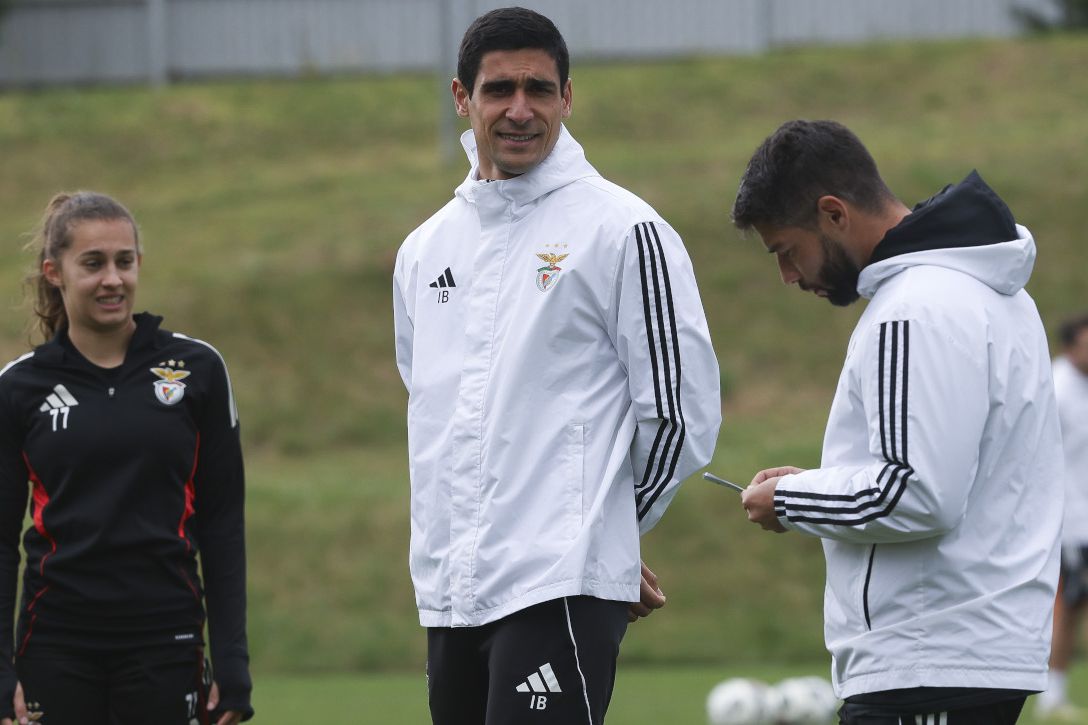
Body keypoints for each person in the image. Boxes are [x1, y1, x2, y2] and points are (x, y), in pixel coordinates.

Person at [392, 7, 720, 724]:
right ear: (461, 98)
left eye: (539, 89)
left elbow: (680, 414)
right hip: (450, 592)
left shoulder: (624, 230)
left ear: (567, 98)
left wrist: (603, 532)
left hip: (558, 586)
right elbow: (432, 405)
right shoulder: (424, 250)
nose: (520, 109)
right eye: (499, 90)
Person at [730, 120, 1062, 724]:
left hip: (930, 657)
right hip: (962, 652)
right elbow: (945, 476)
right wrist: (819, 485)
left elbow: (918, 494)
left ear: (833, 213)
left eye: (786, 250)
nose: (788, 276)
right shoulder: (987, 292)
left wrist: (791, 500)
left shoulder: (914, 308)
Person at [0, 192, 252, 725]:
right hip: (55, 644)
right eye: (93, 264)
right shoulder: (19, 388)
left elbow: (223, 525)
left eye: (124, 261)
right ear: (54, 272)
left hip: (167, 641)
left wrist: (232, 660)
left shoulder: (198, 370)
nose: (112, 279)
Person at [1036, 313, 1088, 721]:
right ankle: (1050, 696)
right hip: (1069, 524)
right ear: (1070, 347)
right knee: (1066, 607)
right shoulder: (1055, 387)